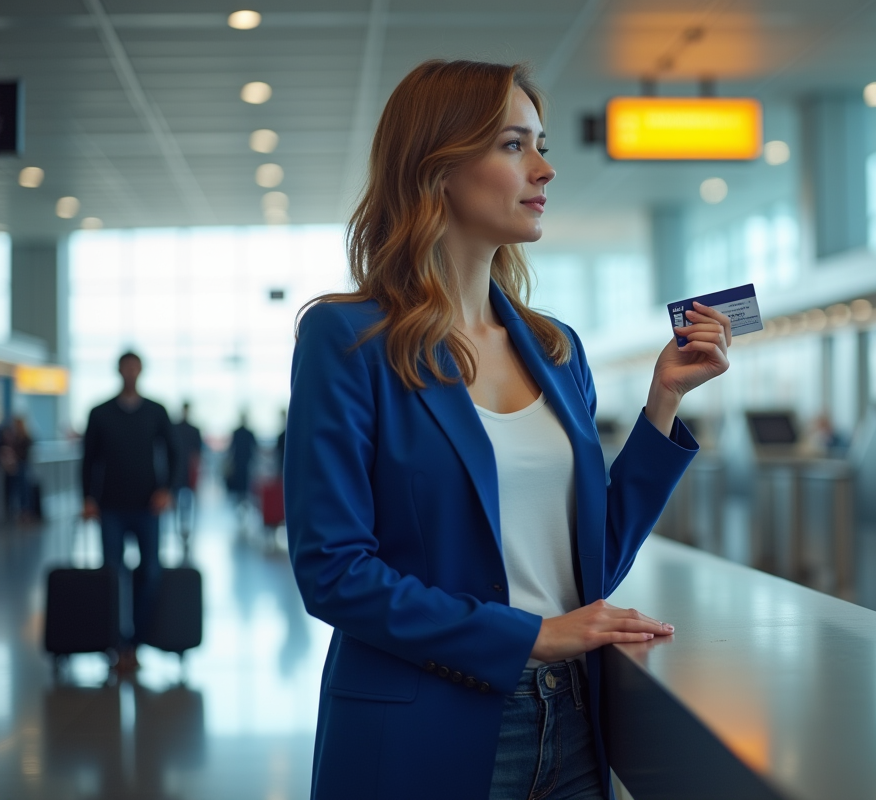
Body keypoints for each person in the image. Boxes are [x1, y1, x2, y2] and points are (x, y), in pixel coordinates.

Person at [285, 60, 731, 800]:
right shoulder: (348, 339)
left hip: (575, 720)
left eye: (542, 144)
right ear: (438, 167)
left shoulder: (556, 349)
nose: (546, 169)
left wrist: (662, 406)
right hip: (425, 727)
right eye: (514, 145)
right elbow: (332, 571)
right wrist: (529, 635)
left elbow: (589, 561)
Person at [82, 351, 177, 672]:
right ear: (119, 371)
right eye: (126, 367)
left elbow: (176, 454)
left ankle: (137, 641)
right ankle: (115, 642)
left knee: (150, 572)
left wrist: (167, 490)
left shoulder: (155, 411)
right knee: (112, 573)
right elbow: (88, 459)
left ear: (141, 371)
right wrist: (87, 498)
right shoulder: (100, 413)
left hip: (147, 507)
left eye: (135, 367)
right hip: (110, 506)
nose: (131, 372)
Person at [171, 402, 203, 552]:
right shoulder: (175, 428)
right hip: (178, 471)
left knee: (188, 503)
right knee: (177, 503)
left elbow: (197, 455)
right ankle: (180, 529)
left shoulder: (193, 430)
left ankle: (186, 530)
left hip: (188, 472)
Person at [2, 415, 35, 521]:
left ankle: (25, 511)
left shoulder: (25, 438)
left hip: (22, 466)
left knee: (23, 488)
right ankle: (13, 510)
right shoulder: (13, 438)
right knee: (13, 488)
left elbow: (24, 454)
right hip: (13, 467)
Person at [225, 413, 257, 509]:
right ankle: (242, 506)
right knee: (243, 488)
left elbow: (231, 449)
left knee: (242, 488)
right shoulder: (248, 433)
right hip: (243, 464)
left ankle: (241, 506)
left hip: (241, 464)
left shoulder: (238, 433)